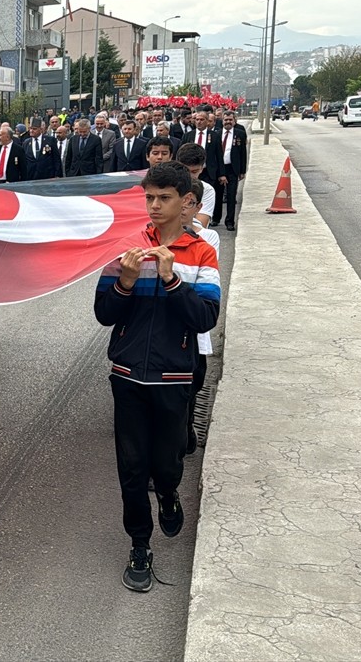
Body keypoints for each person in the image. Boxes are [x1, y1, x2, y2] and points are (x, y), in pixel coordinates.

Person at [94, 160, 220, 592]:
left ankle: (168, 496)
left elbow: (204, 318)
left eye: (164, 198)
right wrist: (125, 282)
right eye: (149, 197)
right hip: (127, 375)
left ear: (186, 203)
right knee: (131, 468)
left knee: (165, 466)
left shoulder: (201, 252)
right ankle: (140, 545)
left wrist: (170, 279)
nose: (154, 206)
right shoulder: (126, 248)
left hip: (173, 378)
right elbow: (104, 314)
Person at [182, 177, 220, 454]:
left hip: (193, 336)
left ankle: (186, 428)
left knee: (191, 388)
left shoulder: (207, 241)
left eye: (189, 203)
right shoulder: (144, 239)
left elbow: (205, 306)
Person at [214, 111, 247, 231]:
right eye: (225, 120)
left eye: (230, 120)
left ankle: (230, 221)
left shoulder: (240, 134)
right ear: (222, 121)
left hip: (233, 169)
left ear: (234, 121)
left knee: (231, 196)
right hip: (219, 169)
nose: (228, 122)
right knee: (218, 195)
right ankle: (216, 218)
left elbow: (243, 153)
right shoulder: (216, 134)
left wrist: (242, 170)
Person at [175, 143, 216, 229]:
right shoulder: (167, 185)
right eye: (185, 171)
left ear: (202, 168)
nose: (189, 176)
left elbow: (200, 225)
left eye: (194, 172)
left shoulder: (207, 190)